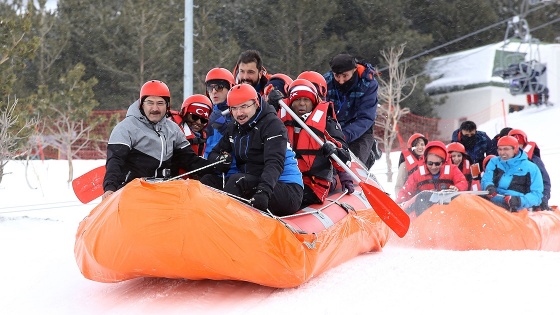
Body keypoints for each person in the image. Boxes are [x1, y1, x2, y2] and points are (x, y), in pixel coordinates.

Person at [102, 80, 217, 200]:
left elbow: (188, 159)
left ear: (167, 106)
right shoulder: (126, 128)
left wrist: (215, 166)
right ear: (142, 104)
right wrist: (110, 187)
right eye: (150, 103)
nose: (155, 108)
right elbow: (115, 160)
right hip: (134, 190)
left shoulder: (173, 129)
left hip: (165, 189)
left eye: (160, 103)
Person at [200, 83, 303, 216]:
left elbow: (274, 163)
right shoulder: (234, 128)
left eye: (244, 106)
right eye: (234, 108)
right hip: (253, 181)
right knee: (208, 181)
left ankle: (229, 224)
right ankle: (202, 221)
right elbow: (214, 153)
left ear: (256, 104)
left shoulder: (272, 125)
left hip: (285, 187)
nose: (239, 113)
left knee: (238, 181)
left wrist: (263, 192)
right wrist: (220, 160)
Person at [279, 78, 352, 208]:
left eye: (306, 100)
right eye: (297, 100)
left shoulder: (326, 123)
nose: (301, 104)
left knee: (277, 196)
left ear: (313, 102)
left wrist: (333, 150)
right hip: (285, 179)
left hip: (313, 186)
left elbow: (345, 159)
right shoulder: (278, 120)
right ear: (290, 102)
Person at [324, 53, 380, 167]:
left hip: (360, 131)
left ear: (354, 70)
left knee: (353, 165)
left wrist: (343, 136)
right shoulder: (326, 82)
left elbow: (366, 117)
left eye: (345, 76)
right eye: (337, 76)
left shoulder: (368, 84)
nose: (341, 80)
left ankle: (368, 155)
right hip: (332, 129)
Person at [482, 136, 544, 212]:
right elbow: (486, 179)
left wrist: (519, 201)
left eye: (506, 149)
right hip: (493, 204)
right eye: (500, 149)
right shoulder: (494, 162)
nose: (502, 153)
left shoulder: (531, 168)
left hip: (517, 208)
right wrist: (488, 186)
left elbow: (537, 194)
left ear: (515, 149)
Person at [397, 141, 468, 204]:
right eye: (430, 163)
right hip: (426, 210)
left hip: (449, 209)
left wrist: (457, 188)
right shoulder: (417, 174)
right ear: (425, 161)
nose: (433, 167)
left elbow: (462, 182)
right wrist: (400, 202)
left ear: (443, 162)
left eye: (437, 164)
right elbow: (405, 192)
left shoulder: (452, 169)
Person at [508, 129, 551, 210]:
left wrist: (543, 199)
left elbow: (545, 181)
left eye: (519, 145)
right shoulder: (502, 162)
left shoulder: (534, 161)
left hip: (529, 202)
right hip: (509, 201)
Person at [204, 67, 236, 158]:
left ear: (230, 88)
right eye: (210, 88)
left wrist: (224, 128)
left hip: (233, 167)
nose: (214, 91)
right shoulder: (205, 113)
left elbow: (245, 142)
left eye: (219, 87)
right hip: (209, 165)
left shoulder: (239, 110)